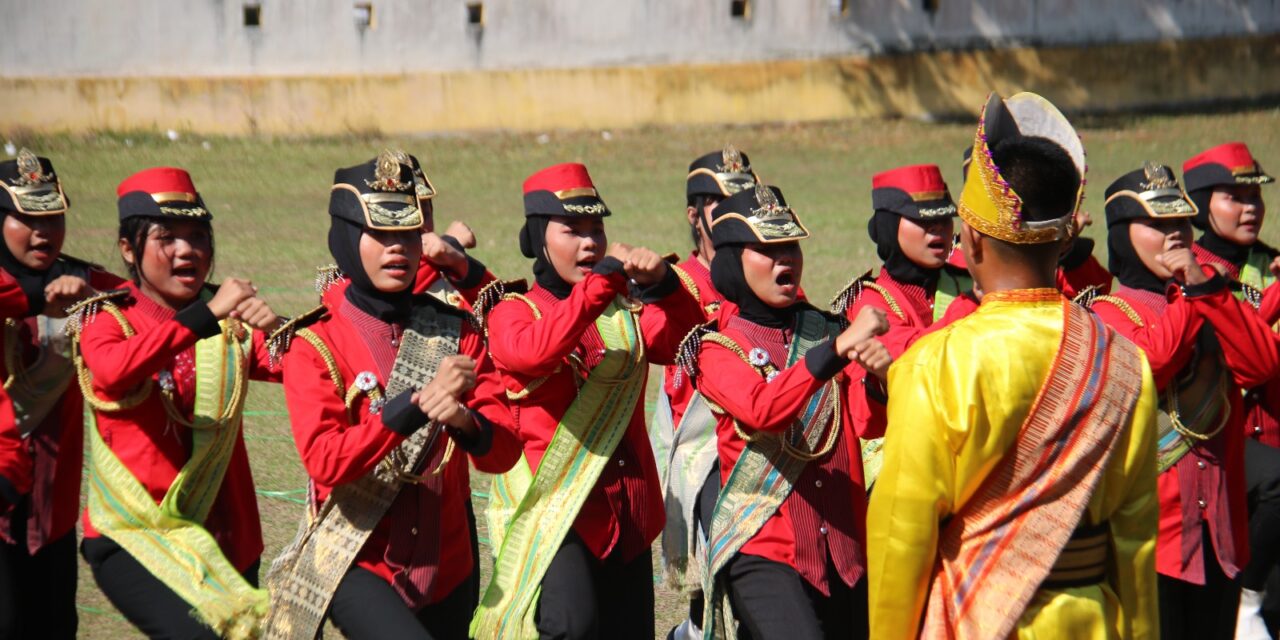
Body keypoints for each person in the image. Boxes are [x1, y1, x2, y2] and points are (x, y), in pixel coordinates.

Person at [866, 92, 1160, 639]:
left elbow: (900, 540)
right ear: (1066, 237)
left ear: (971, 238)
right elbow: (1137, 539)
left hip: (977, 619)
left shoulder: (936, 362)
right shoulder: (1125, 361)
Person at [264, 151, 522, 640]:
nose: (397, 248)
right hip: (356, 561)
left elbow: (505, 450)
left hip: (450, 567)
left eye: (406, 234)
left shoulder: (458, 329)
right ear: (344, 237)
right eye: (380, 234)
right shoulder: (315, 342)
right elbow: (325, 460)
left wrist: (466, 422)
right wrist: (416, 404)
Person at [470, 162, 703, 639]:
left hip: (630, 512)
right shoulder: (515, 311)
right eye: (572, 231)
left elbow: (687, 339)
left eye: (596, 229)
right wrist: (603, 286)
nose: (590, 242)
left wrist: (666, 286)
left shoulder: (624, 309)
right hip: (558, 512)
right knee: (571, 627)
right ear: (539, 238)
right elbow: (535, 352)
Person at [70, 167, 283, 639]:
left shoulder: (230, 319)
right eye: (167, 237)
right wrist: (205, 314)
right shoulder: (107, 318)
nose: (187, 250)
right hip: (137, 538)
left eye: (197, 236)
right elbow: (112, 372)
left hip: (228, 540)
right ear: (128, 249)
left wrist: (278, 324)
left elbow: (306, 366)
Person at [685, 182, 891, 639]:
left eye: (791, 245)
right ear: (733, 260)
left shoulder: (829, 328)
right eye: (768, 248)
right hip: (765, 547)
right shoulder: (717, 349)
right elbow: (763, 411)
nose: (786, 259)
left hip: (844, 547)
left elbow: (865, 422)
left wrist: (878, 383)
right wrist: (833, 352)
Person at [1089, 161, 1280, 639]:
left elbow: (1261, 365)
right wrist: (1196, 292)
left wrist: (1202, 288)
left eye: (1179, 223)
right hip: (1152, 542)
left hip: (1221, 536)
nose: (1174, 235)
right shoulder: (1107, 312)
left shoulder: (1208, 292)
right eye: (1156, 225)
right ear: (1122, 234)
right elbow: (1156, 359)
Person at [0, 150, 126, 639]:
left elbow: (149, 300)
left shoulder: (80, 281)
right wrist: (43, 297)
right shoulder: (46, 287)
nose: (43, 232)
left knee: (55, 625)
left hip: (52, 505)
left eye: (54, 217)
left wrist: (222, 303)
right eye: (27, 218)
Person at [654, 146, 759, 640]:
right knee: (719, 592)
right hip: (704, 455)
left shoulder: (765, 267)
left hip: (762, 445)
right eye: (722, 202)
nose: (736, 209)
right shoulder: (676, 283)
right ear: (694, 215)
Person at [1183, 142, 1280, 637]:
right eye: (1234, 197)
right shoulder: (1184, 270)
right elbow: (1250, 361)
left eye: (1256, 197)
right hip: (1220, 447)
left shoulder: (1271, 264)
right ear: (1199, 203)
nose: (1251, 209)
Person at [829, 164, 974, 486]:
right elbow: (915, 359)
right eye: (923, 220)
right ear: (890, 226)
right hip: (907, 474)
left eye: (943, 218)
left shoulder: (970, 281)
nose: (937, 229)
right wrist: (974, 304)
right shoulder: (868, 302)